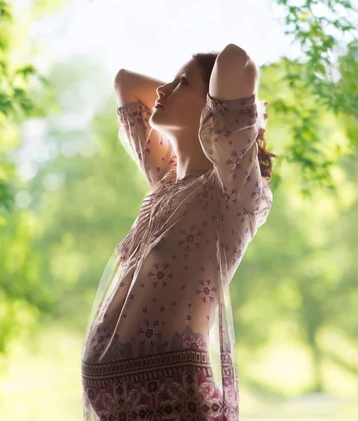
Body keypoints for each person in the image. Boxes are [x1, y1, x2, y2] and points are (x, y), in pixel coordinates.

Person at [80, 43, 278, 421]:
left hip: (175, 405)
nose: (162, 91)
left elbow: (236, 60)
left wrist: (239, 115)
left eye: (181, 82)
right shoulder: (164, 182)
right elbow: (125, 83)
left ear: (213, 107)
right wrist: (192, 92)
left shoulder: (231, 191)